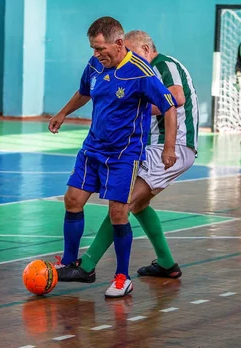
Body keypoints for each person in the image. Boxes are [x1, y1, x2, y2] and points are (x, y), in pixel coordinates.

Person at [48, 17, 178, 298]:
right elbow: (84, 92)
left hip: (123, 154)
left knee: (118, 212)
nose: (96, 54)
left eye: (99, 48)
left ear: (118, 44)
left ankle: (122, 277)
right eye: (93, 49)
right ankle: (72, 263)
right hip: (93, 148)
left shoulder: (141, 71)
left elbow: (169, 106)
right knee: (72, 200)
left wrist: (169, 148)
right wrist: (62, 113)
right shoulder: (96, 64)